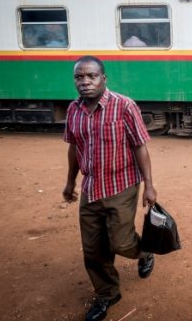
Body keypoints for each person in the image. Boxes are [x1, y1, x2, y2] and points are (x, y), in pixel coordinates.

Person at [62, 55, 157, 321]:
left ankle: (145, 252)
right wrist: (70, 182)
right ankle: (107, 294)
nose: (85, 82)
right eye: (79, 77)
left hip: (121, 186)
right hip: (91, 187)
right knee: (93, 249)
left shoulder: (124, 106)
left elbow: (140, 145)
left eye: (91, 76)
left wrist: (149, 186)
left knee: (121, 242)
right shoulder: (73, 110)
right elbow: (74, 147)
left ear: (104, 78)